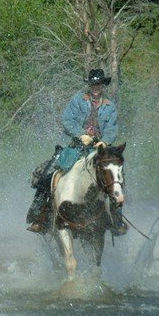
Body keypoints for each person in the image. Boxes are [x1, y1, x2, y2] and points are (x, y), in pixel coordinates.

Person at [26, 68, 127, 235]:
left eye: (98, 85)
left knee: (115, 178)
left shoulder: (110, 107)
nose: (96, 88)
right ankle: (40, 215)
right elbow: (67, 120)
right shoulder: (77, 100)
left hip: (100, 149)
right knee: (48, 173)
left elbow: (112, 128)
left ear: (103, 85)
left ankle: (117, 220)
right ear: (89, 85)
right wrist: (81, 135)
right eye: (93, 84)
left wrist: (104, 141)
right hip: (75, 147)